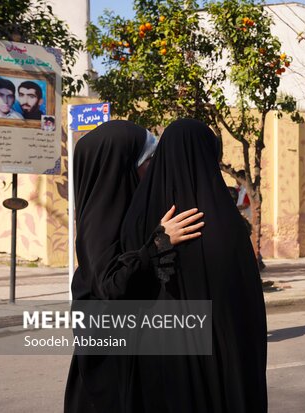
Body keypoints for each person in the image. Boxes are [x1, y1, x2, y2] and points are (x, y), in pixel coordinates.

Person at [120, 119, 268, 412]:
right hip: (222, 356)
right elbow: (246, 304)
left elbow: (127, 281)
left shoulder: (140, 213)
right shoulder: (226, 220)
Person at [65, 120, 204, 412]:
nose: (153, 168)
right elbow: (111, 286)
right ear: (121, 167)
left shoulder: (127, 215)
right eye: (148, 160)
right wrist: (159, 244)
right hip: (110, 379)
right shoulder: (100, 224)